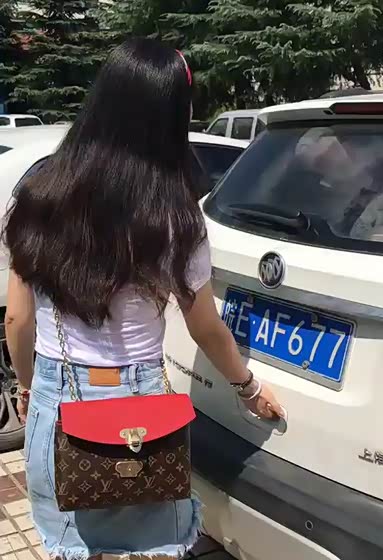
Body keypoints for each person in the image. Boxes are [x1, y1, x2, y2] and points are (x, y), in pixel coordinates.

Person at [3, 37, 284, 560]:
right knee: (153, 544)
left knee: (72, 545)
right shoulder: (174, 212)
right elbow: (204, 325)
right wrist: (247, 387)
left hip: (57, 394)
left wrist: (26, 385)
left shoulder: (39, 193)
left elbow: (18, 319)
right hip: (140, 402)